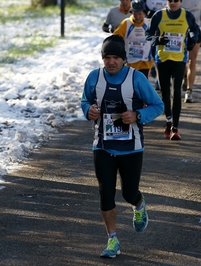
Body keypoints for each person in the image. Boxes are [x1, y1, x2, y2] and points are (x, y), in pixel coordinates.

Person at [81, 35, 164, 258]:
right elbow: (85, 101)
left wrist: (138, 115)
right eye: (106, 57)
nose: (111, 62)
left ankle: (139, 204)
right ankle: (112, 240)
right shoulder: (94, 77)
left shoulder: (136, 78)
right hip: (103, 146)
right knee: (105, 193)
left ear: (123, 59)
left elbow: (158, 105)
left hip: (131, 147)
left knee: (128, 193)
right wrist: (88, 111)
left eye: (115, 57)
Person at [146, 0, 199, 140]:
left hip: (179, 59)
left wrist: (193, 38)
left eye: (176, 0)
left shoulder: (187, 15)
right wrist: (158, 40)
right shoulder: (158, 16)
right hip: (162, 60)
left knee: (176, 92)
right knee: (165, 93)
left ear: (180, 1)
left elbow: (195, 29)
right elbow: (148, 36)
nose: (173, 2)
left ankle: (175, 127)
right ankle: (168, 120)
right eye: (170, 0)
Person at [114, 0, 153, 78]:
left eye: (140, 14)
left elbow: (156, 38)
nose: (137, 17)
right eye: (135, 14)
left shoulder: (149, 23)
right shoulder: (126, 23)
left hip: (145, 63)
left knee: (142, 88)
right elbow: (115, 38)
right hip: (130, 63)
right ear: (131, 13)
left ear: (144, 13)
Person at [180, 0, 201, 103]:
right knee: (181, 61)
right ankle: (184, 75)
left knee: (192, 61)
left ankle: (189, 91)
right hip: (179, 31)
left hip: (195, 31)